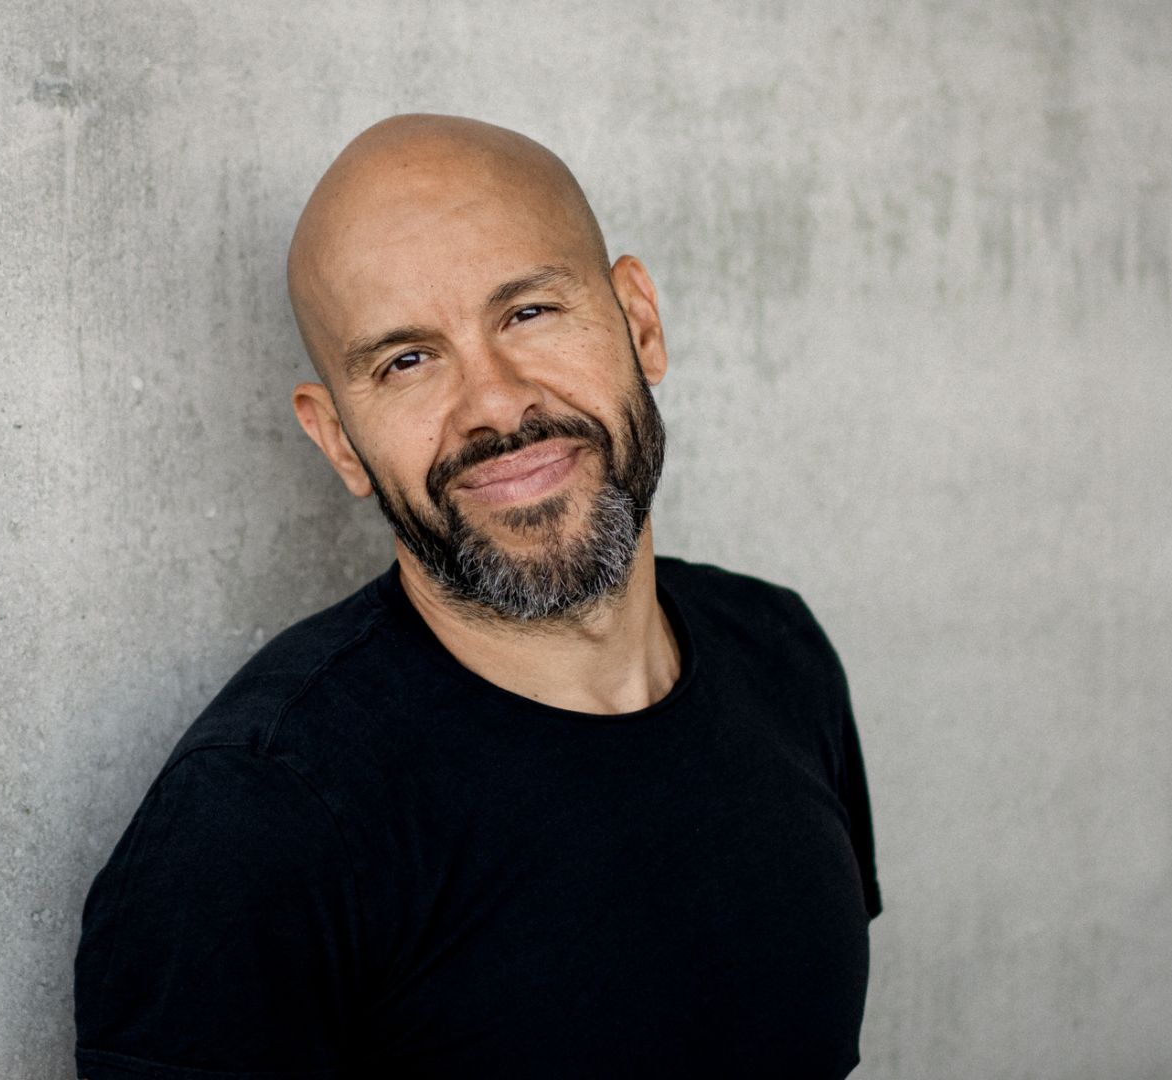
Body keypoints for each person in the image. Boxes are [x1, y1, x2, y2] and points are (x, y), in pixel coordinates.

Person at [73, 114, 882, 1079]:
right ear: (338, 441)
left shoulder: (782, 655)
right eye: (407, 361)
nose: (495, 403)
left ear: (640, 322)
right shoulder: (256, 822)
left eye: (528, 313)